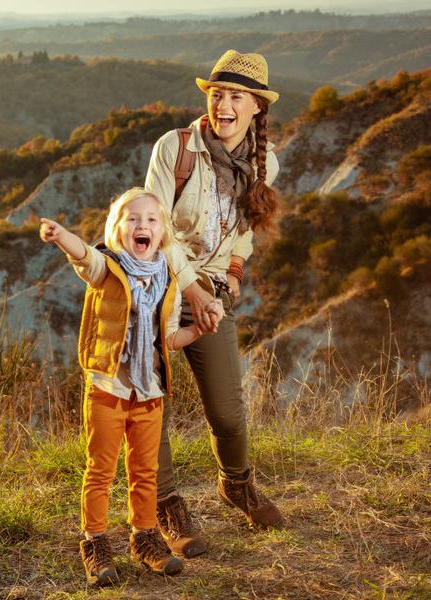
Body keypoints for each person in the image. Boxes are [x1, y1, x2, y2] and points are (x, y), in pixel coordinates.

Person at [143, 49, 285, 559]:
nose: (223, 104)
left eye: (236, 96)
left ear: (255, 108)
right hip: (155, 289)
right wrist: (193, 291)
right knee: (151, 405)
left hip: (210, 295)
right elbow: (152, 230)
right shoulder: (176, 148)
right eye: (217, 94)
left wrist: (230, 273)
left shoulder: (265, 161)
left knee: (227, 410)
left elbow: (244, 232)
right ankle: (166, 504)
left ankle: (237, 484)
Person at [39, 188, 221, 586]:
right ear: (118, 229)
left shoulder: (169, 282)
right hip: (109, 388)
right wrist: (62, 235)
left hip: (149, 392)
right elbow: (84, 256)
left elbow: (168, 339)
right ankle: (97, 543)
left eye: (152, 220)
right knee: (100, 470)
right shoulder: (109, 268)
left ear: (162, 234)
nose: (143, 226)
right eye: (133, 219)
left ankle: (145, 538)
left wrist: (197, 329)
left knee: (145, 471)